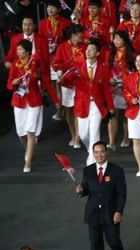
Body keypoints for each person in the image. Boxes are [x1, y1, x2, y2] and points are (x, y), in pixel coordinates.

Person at [76, 141, 127, 250]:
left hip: (110, 212)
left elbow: (121, 194)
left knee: (113, 239)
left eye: (102, 151)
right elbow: (86, 189)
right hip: (93, 214)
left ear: (107, 152)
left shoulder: (117, 171)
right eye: (96, 152)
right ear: (93, 154)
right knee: (95, 244)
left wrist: (119, 211)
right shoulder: (88, 170)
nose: (99, 155)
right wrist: (80, 191)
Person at [7, 39, 60, 173]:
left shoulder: (36, 64)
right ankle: (28, 151)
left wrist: (56, 100)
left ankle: (28, 162)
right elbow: (8, 85)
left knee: (30, 131)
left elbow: (46, 82)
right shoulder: (15, 65)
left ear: (27, 51)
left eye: (20, 50)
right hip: (19, 101)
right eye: (17, 49)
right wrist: (13, 83)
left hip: (34, 100)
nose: (17, 52)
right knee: (21, 133)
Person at [64, 40, 115, 165]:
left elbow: (106, 90)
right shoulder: (77, 66)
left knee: (94, 132)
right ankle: (90, 150)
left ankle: (92, 161)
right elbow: (65, 82)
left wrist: (111, 107)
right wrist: (68, 75)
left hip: (96, 105)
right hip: (82, 104)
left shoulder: (103, 69)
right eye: (87, 49)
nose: (87, 51)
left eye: (91, 49)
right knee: (82, 134)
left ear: (97, 53)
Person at [53, 24, 86, 149]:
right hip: (67, 83)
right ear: (72, 35)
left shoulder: (85, 47)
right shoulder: (62, 47)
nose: (82, 36)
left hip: (80, 82)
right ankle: (73, 135)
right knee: (69, 110)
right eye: (79, 35)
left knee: (78, 109)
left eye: (82, 34)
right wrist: (60, 73)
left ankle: (78, 137)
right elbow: (56, 63)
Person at [39, 0, 72, 121]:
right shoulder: (42, 23)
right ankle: (59, 106)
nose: (50, 9)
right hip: (48, 57)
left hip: (61, 57)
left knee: (59, 83)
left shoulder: (66, 22)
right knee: (52, 85)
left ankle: (61, 109)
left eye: (53, 7)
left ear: (59, 9)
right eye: (48, 7)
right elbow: (41, 40)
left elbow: (69, 40)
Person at [107, 31, 135, 151]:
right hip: (113, 87)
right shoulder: (110, 53)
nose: (116, 41)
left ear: (124, 40)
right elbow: (106, 69)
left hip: (126, 87)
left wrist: (125, 79)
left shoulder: (131, 54)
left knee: (126, 114)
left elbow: (134, 71)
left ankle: (126, 136)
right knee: (113, 114)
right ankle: (112, 141)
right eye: (115, 39)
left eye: (119, 39)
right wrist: (110, 79)